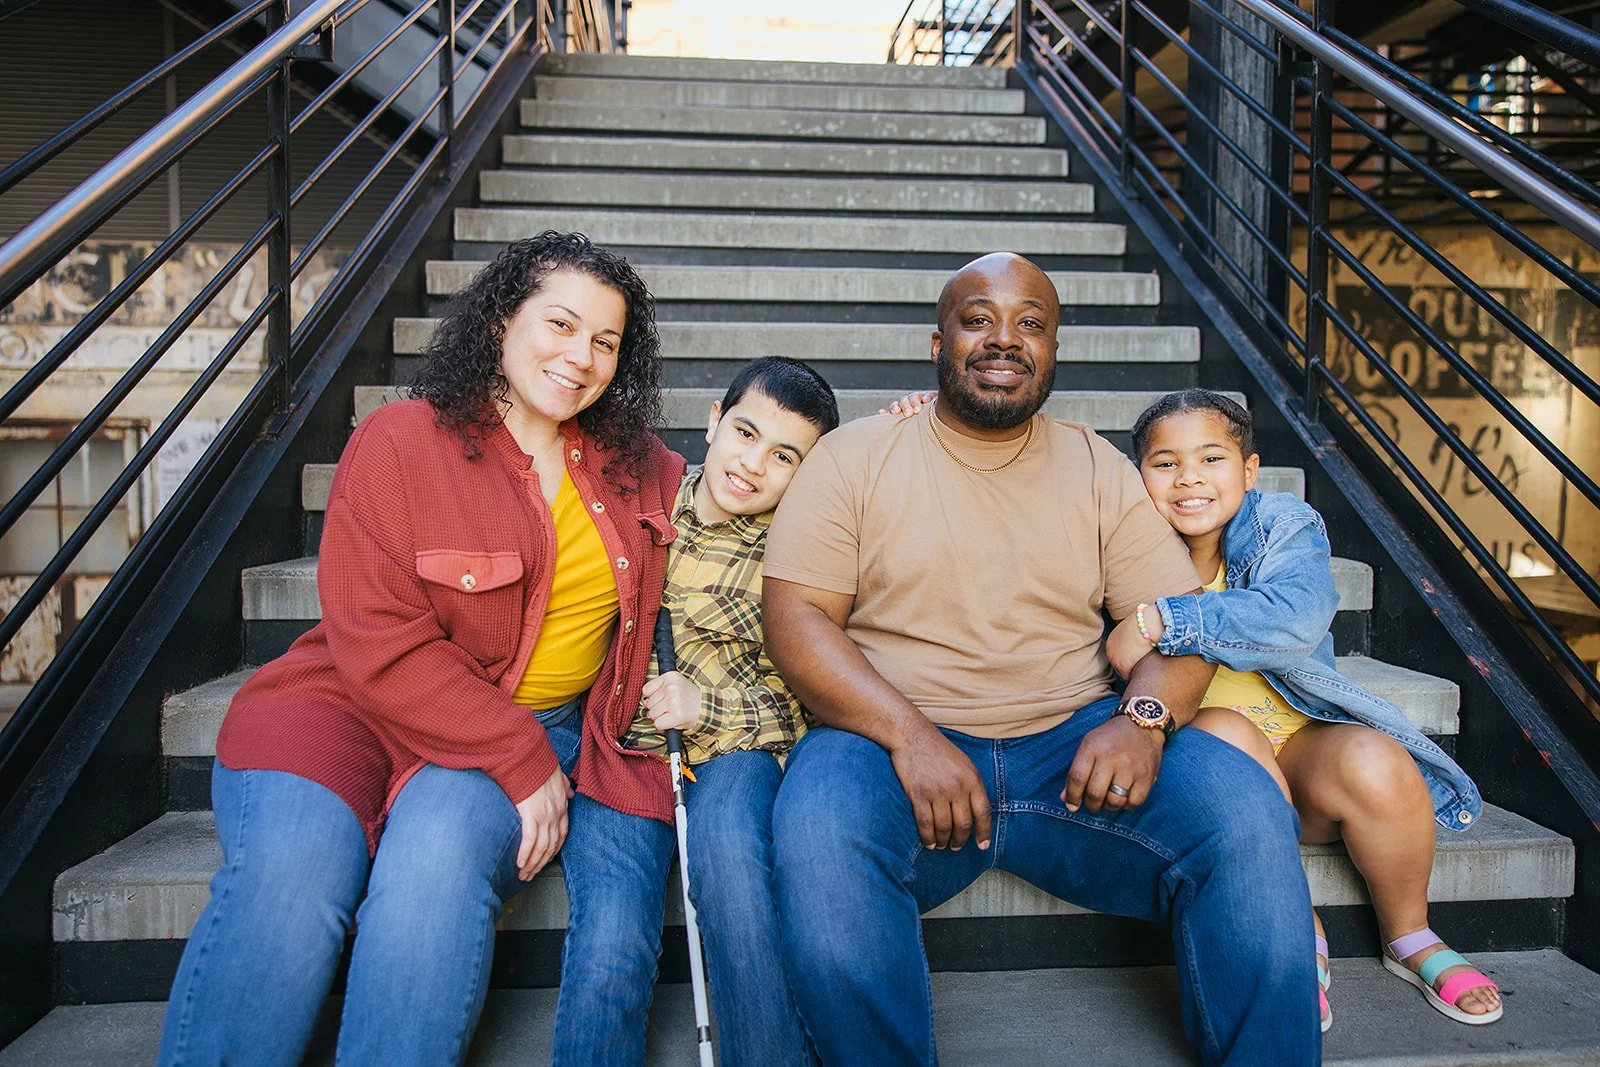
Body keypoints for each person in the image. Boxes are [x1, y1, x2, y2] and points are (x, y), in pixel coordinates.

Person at [762, 252, 1319, 1065]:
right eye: (978, 318)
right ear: (937, 341)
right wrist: (909, 735)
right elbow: (796, 619)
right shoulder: (853, 457)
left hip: (1073, 746)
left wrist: (1145, 718)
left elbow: (1182, 630)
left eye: (1031, 323)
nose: (1005, 338)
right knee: (818, 828)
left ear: (1053, 350)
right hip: (889, 740)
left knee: (1243, 809)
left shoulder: (1099, 467)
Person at [157, 232, 684, 1067]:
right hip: (345, 712)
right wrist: (520, 756)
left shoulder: (639, 469)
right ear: (504, 318)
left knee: (432, 869)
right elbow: (378, 637)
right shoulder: (401, 440)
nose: (580, 356)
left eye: (605, 341)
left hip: (498, 740)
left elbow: (752, 498)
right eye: (560, 323)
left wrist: (902, 433)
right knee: (293, 881)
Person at [1103, 388, 1497, 1029]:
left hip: (1301, 751)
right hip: (1206, 774)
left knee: (1375, 755)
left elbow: (1298, 615)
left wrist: (1163, 619)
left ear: (1249, 470)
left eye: (1212, 458)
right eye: (1165, 464)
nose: (1190, 479)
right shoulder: (1120, 537)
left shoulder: (1281, 523)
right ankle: (1294, 927)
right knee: (1225, 729)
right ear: (1136, 475)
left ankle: (1411, 936)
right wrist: (933, 412)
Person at [552, 356, 838, 1066]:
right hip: (625, 757)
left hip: (736, 753)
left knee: (733, 873)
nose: (752, 463)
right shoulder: (639, 505)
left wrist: (705, 705)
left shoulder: (797, 556)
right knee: (608, 946)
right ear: (714, 420)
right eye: (744, 432)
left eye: (784, 456)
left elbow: (808, 700)